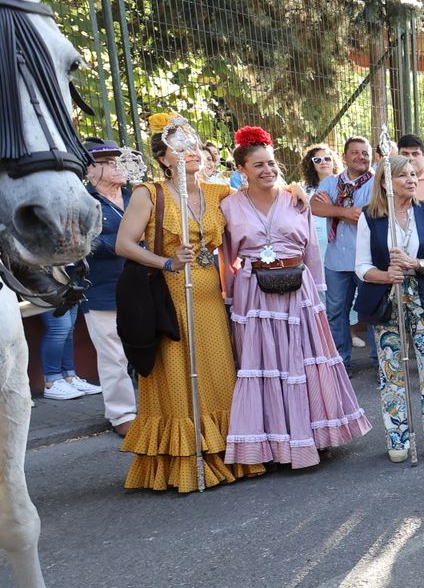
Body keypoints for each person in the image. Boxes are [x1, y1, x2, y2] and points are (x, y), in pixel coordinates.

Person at [114, 128, 265, 492]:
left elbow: (260, 200)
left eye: (194, 145)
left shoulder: (219, 192)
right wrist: (165, 262)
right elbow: (123, 244)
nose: (190, 152)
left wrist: (294, 194)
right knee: (178, 377)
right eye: (178, 148)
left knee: (217, 374)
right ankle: (185, 464)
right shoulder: (148, 193)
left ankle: (227, 455)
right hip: (169, 296)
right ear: (164, 158)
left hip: (210, 296)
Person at [220, 131, 370, 468]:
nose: (267, 170)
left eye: (271, 163)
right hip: (254, 294)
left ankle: (315, 435)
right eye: (258, 165)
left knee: (303, 362)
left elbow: (311, 249)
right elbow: (227, 255)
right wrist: (230, 296)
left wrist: (317, 288)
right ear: (242, 169)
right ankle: (272, 442)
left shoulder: (296, 199)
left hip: (298, 291)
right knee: (266, 366)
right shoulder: (228, 205)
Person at [354, 155, 424, 463]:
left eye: (414, 174)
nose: (412, 180)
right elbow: (361, 266)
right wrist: (386, 275)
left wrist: (417, 264)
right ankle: (397, 436)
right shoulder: (369, 217)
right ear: (386, 182)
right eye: (403, 176)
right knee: (391, 370)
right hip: (389, 298)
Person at [81, 139, 136, 433]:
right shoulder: (83, 200)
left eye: (118, 161)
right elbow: (84, 243)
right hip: (102, 289)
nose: (117, 166)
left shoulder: (135, 195)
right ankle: (122, 415)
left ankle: (153, 409)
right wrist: (128, 244)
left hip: (141, 284)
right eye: (108, 162)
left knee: (145, 348)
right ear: (91, 171)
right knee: (114, 355)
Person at [310, 136, 374, 370]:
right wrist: (344, 212)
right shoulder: (330, 182)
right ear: (345, 156)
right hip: (336, 261)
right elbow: (315, 207)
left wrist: (332, 210)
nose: (360, 156)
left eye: (365, 153)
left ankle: (380, 362)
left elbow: (365, 216)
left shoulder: (376, 183)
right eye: (355, 152)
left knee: (372, 313)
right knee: (336, 312)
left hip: (368, 261)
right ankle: (341, 361)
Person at [35, 300, 93, 401]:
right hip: (46, 287)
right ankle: (52, 382)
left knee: (68, 330)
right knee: (59, 328)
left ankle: (69, 378)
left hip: (70, 286)